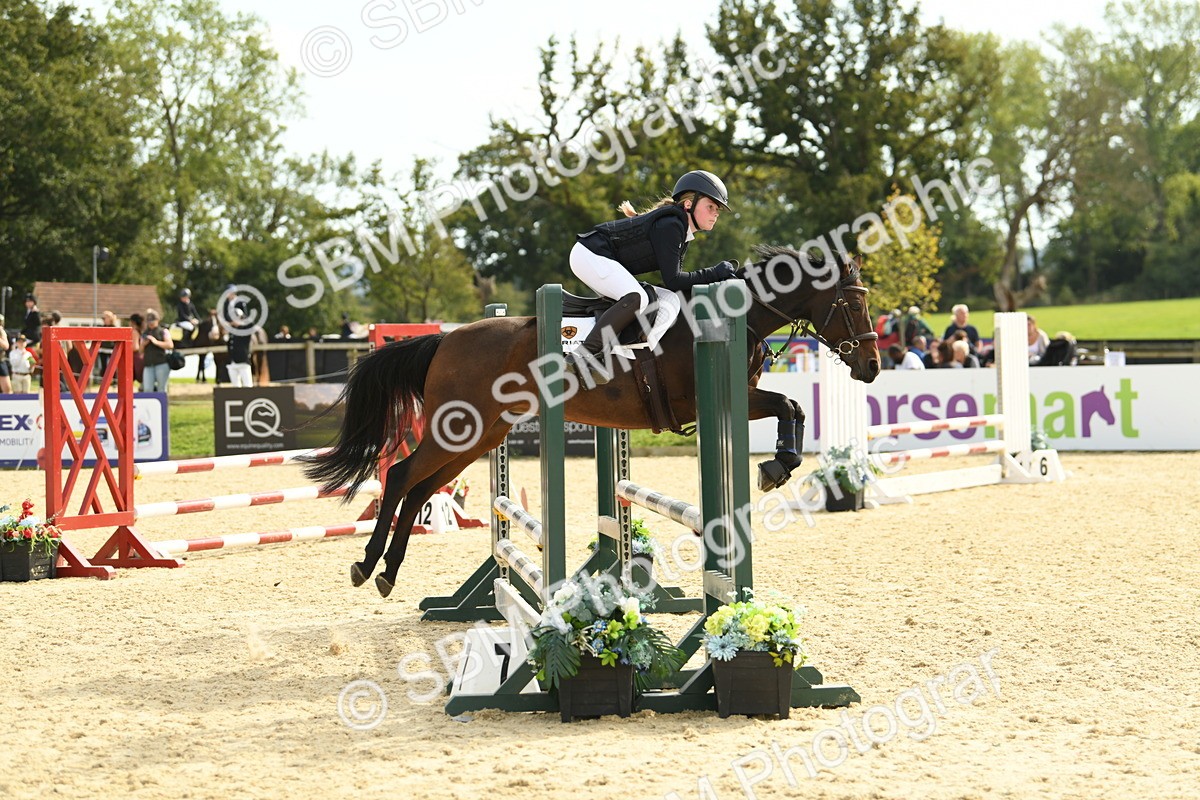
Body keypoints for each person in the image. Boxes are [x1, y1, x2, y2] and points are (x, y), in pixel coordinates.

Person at [563, 170, 738, 384]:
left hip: (598, 258)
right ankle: (582, 355)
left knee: (669, 300)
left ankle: (627, 353)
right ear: (689, 205)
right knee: (638, 297)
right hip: (589, 254)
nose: (715, 213)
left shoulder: (682, 231)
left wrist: (714, 276)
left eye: (717, 209)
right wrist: (715, 273)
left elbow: (673, 287)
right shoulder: (671, 226)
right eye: (710, 206)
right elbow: (674, 280)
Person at [141, 309, 173, 393]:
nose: (151, 323)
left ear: (157, 320)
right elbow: (140, 351)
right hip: (148, 363)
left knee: (162, 389)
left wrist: (156, 342)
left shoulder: (163, 331)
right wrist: (144, 344)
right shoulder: (144, 333)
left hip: (161, 362)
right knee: (147, 389)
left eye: (153, 321)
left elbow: (170, 345)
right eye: (149, 321)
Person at [129, 313, 145, 389]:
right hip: (138, 357)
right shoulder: (139, 331)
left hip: (135, 358)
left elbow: (135, 347)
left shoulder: (134, 332)